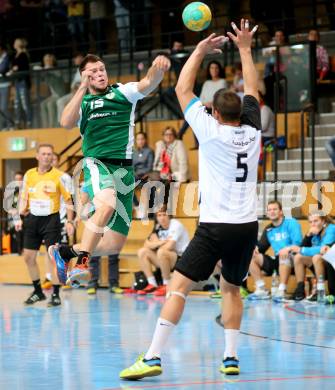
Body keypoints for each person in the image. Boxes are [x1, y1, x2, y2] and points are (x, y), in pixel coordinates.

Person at [120, 19, 261, 379]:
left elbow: (183, 88)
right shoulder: (254, 131)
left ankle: (152, 357)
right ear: (243, 112)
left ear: (214, 113)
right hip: (246, 227)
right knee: (231, 289)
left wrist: (198, 50)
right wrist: (245, 49)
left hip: (214, 227)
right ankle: (230, 358)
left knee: (178, 287)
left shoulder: (210, 131)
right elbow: (254, 91)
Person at [49, 53, 171, 288]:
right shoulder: (83, 103)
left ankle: (65, 252)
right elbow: (65, 122)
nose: (99, 74)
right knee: (106, 205)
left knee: (113, 245)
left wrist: (159, 68)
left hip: (124, 171)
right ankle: (82, 263)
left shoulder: (122, 92)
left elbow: (148, 83)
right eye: (92, 72)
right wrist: (81, 88)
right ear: (84, 77)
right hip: (98, 164)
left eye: (101, 69)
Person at [14, 143, 74, 306]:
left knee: (53, 258)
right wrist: (19, 216)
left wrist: (69, 221)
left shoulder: (60, 176)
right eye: (44, 154)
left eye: (49, 154)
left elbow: (69, 200)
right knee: (28, 257)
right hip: (32, 220)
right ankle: (38, 291)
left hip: (51, 221)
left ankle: (55, 294)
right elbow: (24, 197)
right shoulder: (29, 175)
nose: (47, 156)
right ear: (37, 156)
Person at [248, 200, 302, 300]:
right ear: (267, 213)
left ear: (281, 211)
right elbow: (261, 247)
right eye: (269, 210)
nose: (272, 211)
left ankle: (282, 290)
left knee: (284, 255)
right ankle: (261, 289)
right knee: (251, 254)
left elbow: (298, 243)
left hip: (293, 259)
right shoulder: (269, 229)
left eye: (275, 209)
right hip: (276, 260)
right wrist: (255, 248)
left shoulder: (291, 222)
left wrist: (287, 249)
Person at [136, 206, 190, 297]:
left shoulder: (176, 225)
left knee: (162, 252)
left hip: (181, 260)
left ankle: (166, 285)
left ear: (169, 216)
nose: (162, 218)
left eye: (164, 215)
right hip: (165, 259)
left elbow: (169, 247)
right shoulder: (158, 227)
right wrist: (161, 242)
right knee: (142, 252)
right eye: (159, 215)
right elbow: (146, 245)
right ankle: (152, 284)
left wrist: (156, 243)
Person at [42, 152, 74, 290]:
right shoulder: (42, 177)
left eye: (54, 159)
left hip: (62, 217)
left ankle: (67, 277)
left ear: (58, 161)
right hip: (47, 219)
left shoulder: (64, 177)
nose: (51, 161)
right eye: (50, 158)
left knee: (65, 248)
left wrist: (70, 220)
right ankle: (49, 277)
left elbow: (70, 200)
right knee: (48, 249)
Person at [178, 60, 227, 147]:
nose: (214, 70)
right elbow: (201, 98)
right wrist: (205, 103)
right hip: (205, 107)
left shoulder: (223, 81)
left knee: (197, 115)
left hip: (216, 109)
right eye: (212, 68)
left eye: (216, 68)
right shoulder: (206, 83)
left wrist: (212, 103)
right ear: (209, 70)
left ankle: (182, 132)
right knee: (195, 113)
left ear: (219, 70)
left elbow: (222, 97)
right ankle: (193, 140)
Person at [291, 211, 335, 301]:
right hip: (319, 266)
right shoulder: (313, 232)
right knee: (298, 257)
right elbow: (300, 250)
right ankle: (300, 290)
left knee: (316, 257)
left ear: (323, 221)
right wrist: (308, 236)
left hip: (330, 266)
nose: (313, 224)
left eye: (316, 221)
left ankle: (320, 291)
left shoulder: (331, 228)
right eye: (310, 222)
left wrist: (302, 250)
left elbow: (324, 250)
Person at [153, 126, 189, 210]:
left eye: (171, 134)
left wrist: (181, 178)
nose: (168, 136)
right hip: (164, 173)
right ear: (163, 136)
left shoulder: (178, 144)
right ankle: (152, 211)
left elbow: (183, 162)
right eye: (166, 134)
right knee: (151, 183)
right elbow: (157, 162)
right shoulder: (161, 145)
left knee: (165, 183)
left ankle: (163, 206)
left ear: (174, 135)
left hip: (176, 173)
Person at [37, 54, 67, 128]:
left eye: (48, 60)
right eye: (45, 60)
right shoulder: (46, 71)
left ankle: (52, 126)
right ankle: (45, 126)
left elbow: (54, 72)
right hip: (53, 95)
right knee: (42, 104)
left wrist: (45, 69)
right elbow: (40, 73)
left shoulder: (56, 70)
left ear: (52, 61)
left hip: (60, 94)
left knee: (50, 104)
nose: (46, 62)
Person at [10, 38, 32, 129]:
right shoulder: (15, 55)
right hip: (17, 82)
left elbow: (24, 67)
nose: (14, 44)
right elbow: (13, 67)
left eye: (15, 42)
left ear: (18, 44)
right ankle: (18, 122)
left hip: (22, 82)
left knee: (25, 103)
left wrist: (16, 68)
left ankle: (29, 122)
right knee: (17, 103)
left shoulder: (23, 54)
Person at [57, 52, 84, 123]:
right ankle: (61, 122)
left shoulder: (86, 69)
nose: (75, 60)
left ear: (82, 58)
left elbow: (83, 82)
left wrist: (76, 87)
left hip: (82, 94)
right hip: (74, 93)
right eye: (75, 58)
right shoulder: (78, 70)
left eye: (77, 58)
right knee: (60, 102)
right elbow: (73, 84)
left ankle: (72, 122)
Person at [133, 131, 154, 218]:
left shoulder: (149, 151)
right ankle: (137, 205)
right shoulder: (133, 152)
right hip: (135, 176)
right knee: (125, 183)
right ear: (136, 141)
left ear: (145, 140)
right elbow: (131, 166)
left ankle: (151, 211)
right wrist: (135, 174)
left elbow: (149, 167)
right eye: (138, 139)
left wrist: (140, 173)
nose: (140, 141)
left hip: (146, 176)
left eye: (142, 139)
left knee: (152, 187)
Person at [0, 42, 11, 130]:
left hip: (5, 85)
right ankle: (3, 126)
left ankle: (10, 124)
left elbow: (3, 69)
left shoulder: (7, 57)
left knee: (4, 107)